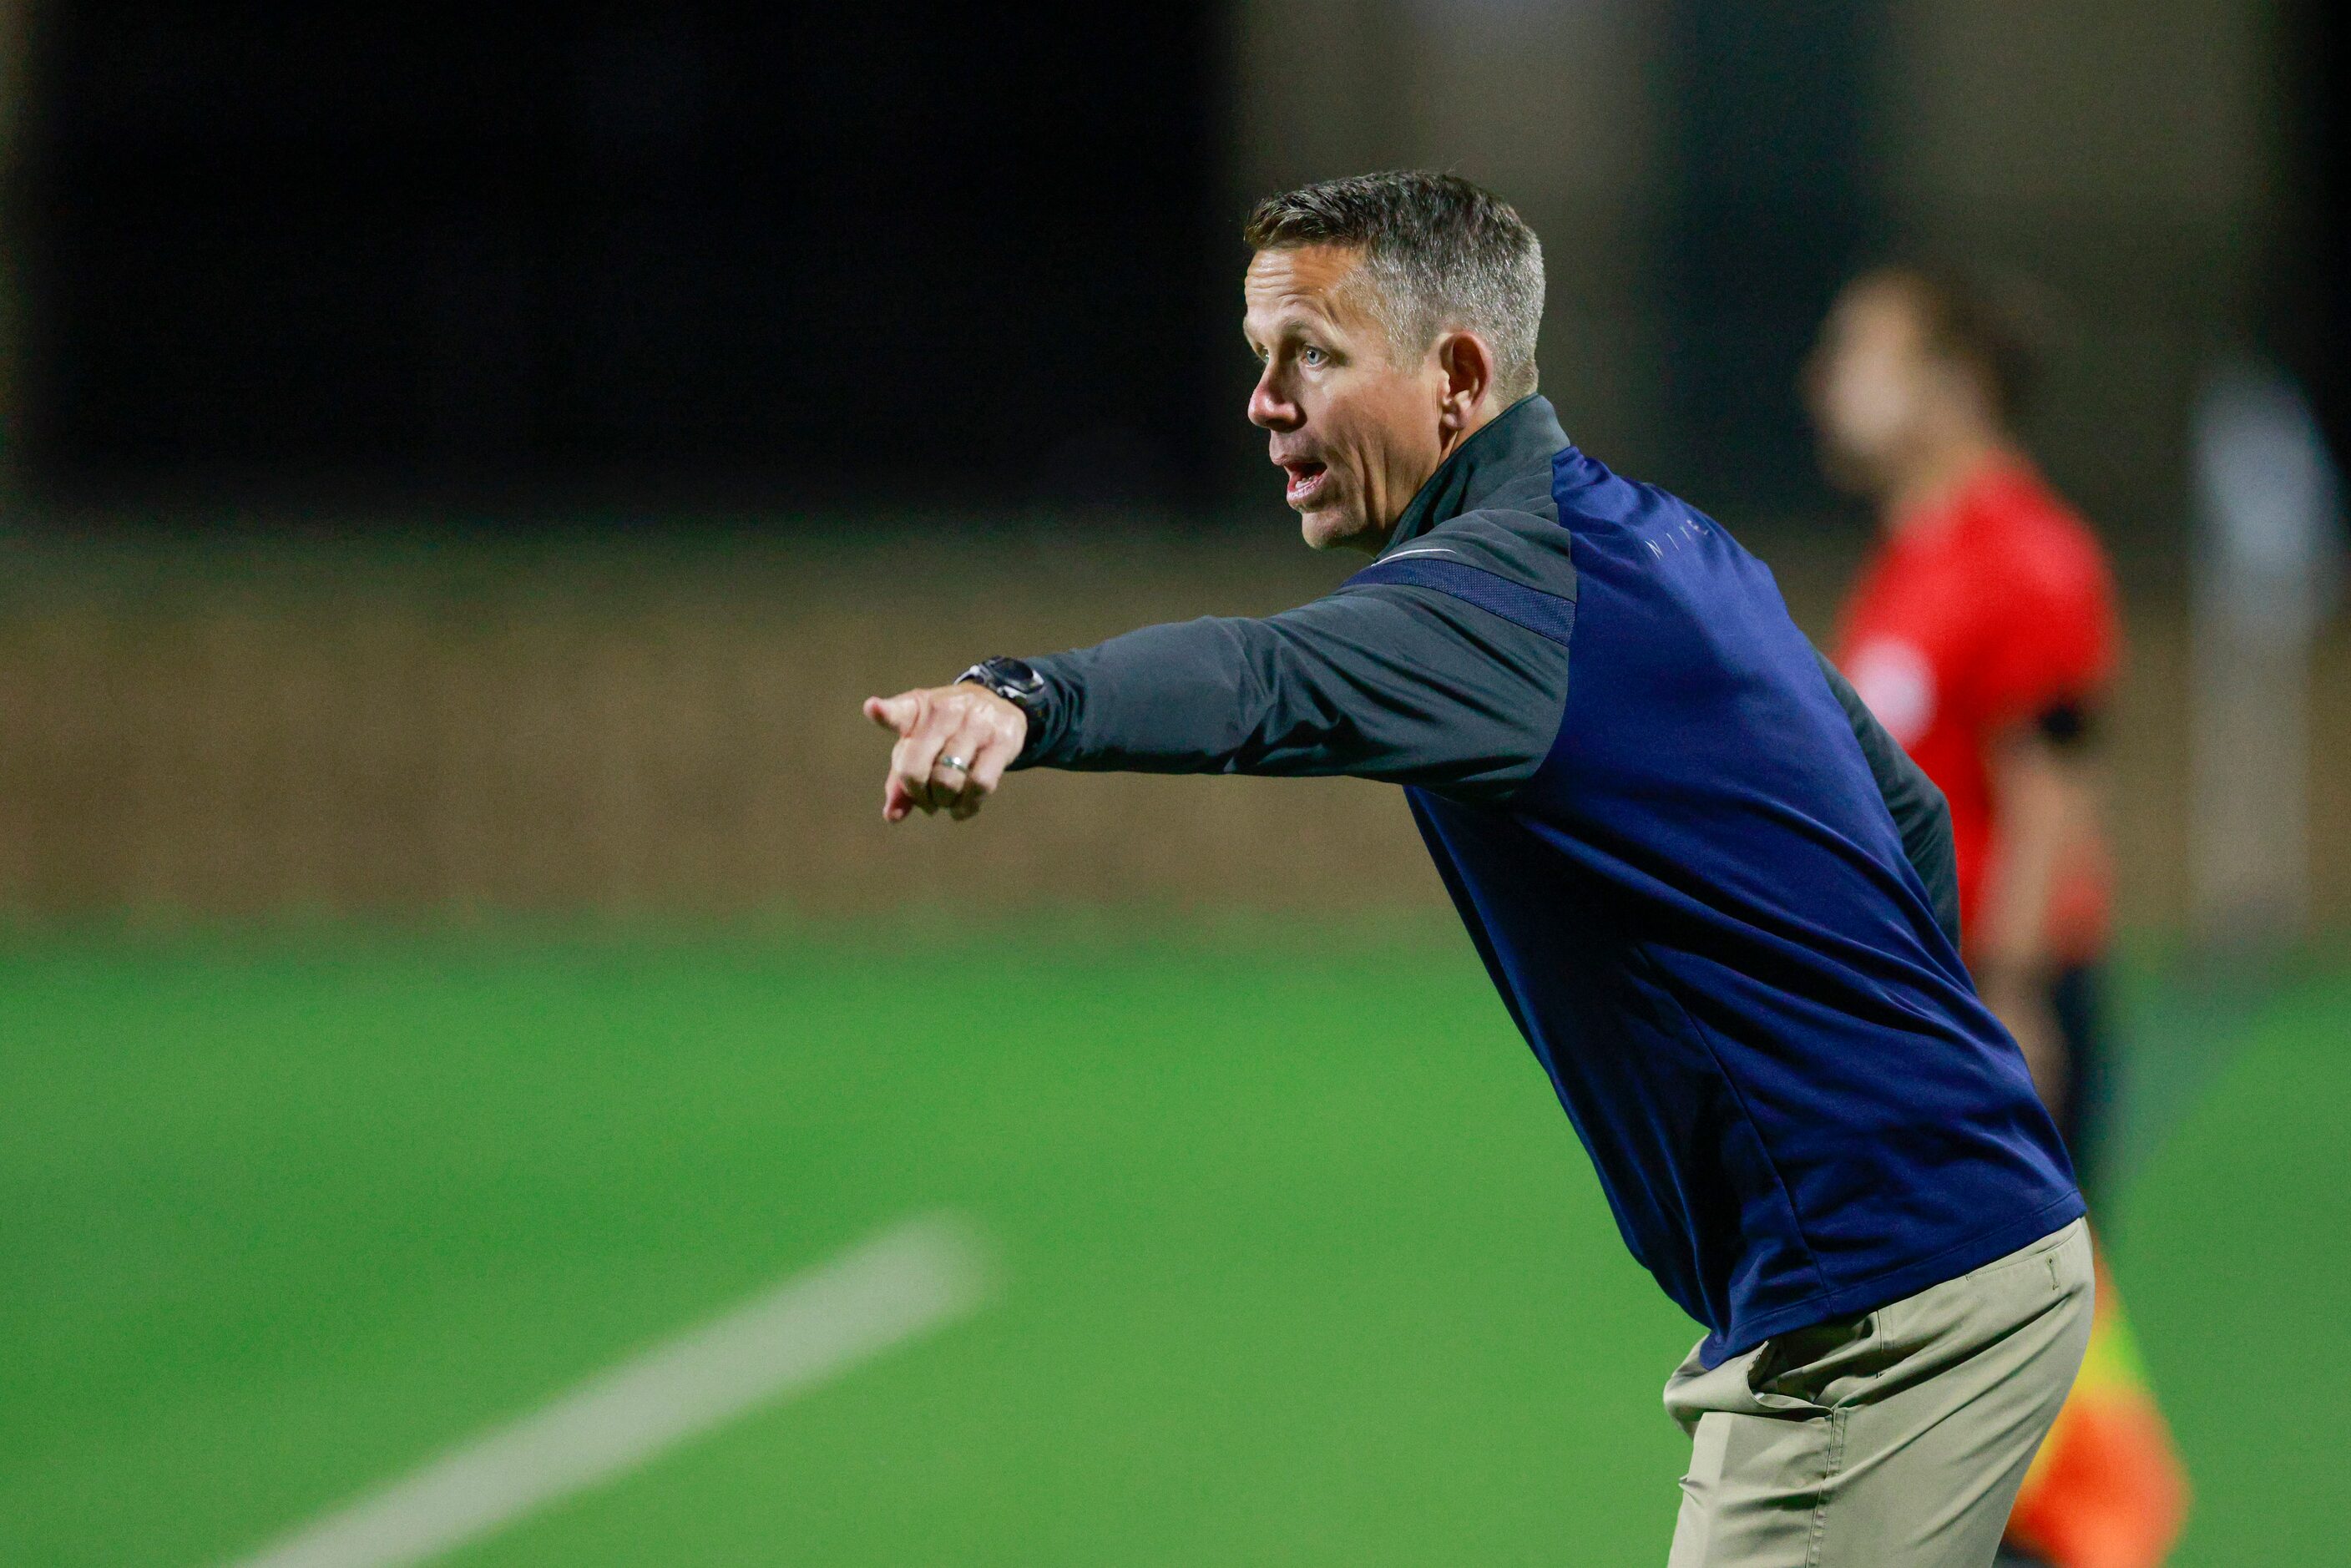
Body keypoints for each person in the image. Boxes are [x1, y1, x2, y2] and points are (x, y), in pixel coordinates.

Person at [865, 172, 2091, 1566]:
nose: (1264, 403)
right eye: (1256, 360)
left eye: (1308, 357)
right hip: (1959, 1241)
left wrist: (1026, 699)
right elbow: (1912, 816)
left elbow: (1267, 676)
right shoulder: (1664, 537)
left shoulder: (1496, 599)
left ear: (1455, 375)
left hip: (1882, 1310)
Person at [1807, 267, 2188, 1568]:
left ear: (1955, 386)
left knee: (2012, 1356)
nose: (1827, 383)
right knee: (1936, 1360)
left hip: (1994, 999)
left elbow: (2052, 797)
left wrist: (2014, 999)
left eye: (1860, 354)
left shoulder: (2026, 552)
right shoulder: (1920, 547)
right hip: (1926, 1011)